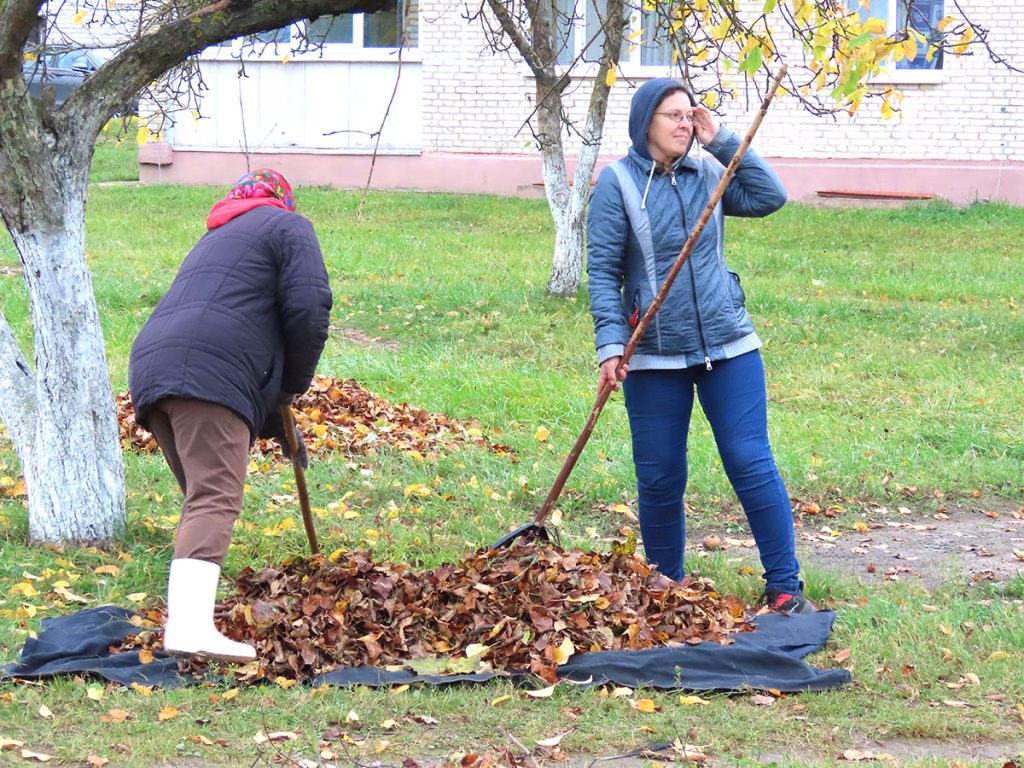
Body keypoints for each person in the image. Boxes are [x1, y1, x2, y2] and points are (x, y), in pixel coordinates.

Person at [586, 79, 813, 614]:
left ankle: (785, 586)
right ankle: (666, 588)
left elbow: (769, 197)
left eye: (689, 115)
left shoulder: (710, 171)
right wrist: (611, 344)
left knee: (750, 460)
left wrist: (724, 140)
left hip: (728, 343)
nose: (684, 124)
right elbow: (603, 271)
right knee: (660, 474)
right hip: (653, 353)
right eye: (673, 116)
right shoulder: (618, 183)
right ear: (645, 122)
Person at [129, 169, 333, 660]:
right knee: (214, 496)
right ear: (283, 199)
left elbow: (238, 315)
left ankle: (192, 616)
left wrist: (273, 417)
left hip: (154, 366)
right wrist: (291, 387)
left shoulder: (215, 239)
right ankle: (189, 629)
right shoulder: (289, 226)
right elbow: (309, 309)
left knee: (201, 494)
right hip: (210, 368)